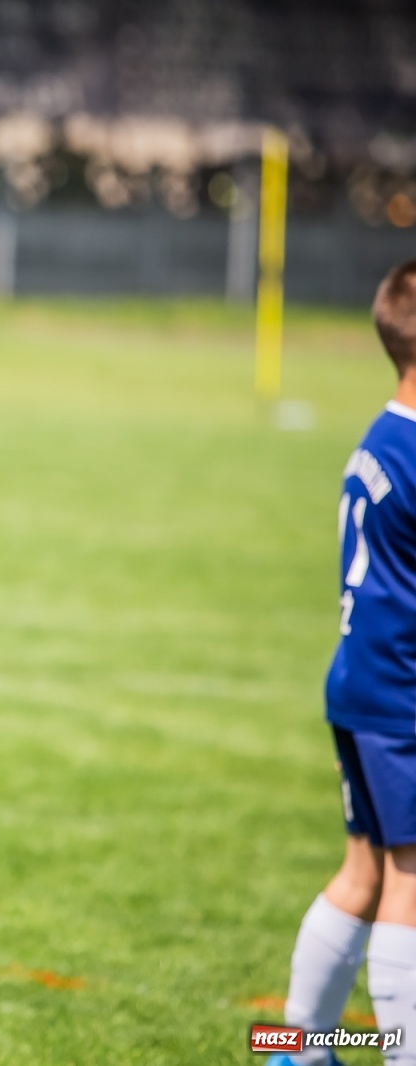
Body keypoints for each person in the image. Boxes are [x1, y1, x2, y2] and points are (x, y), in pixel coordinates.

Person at [265, 259, 416, 1066]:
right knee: (410, 881)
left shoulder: (378, 438)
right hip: (402, 698)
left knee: (362, 870)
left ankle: (294, 1047)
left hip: (360, 684)